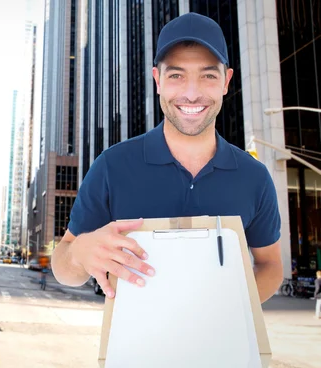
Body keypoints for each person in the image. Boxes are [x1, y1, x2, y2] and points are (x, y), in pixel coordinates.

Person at [51, 12, 283, 304]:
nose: (191, 93)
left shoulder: (255, 177)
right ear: (157, 80)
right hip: (132, 347)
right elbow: (63, 267)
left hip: (227, 347)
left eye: (208, 75)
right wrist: (80, 252)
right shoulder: (112, 166)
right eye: (176, 75)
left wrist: (234, 309)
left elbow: (270, 264)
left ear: (226, 81)